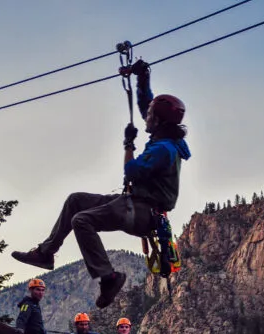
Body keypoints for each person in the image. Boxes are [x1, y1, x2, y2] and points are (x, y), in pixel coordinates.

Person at [10, 59, 191, 309]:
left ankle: (109, 277)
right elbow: (146, 106)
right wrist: (142, 76)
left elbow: (131, 171)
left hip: (141, 211)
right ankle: (46, 252)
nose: (146, 118)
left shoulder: (164, 149)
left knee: (82, 220)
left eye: (150, 116)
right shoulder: (165, 136)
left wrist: (128, 144)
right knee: (76, 200)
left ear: (159, 122)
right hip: (134, 203)